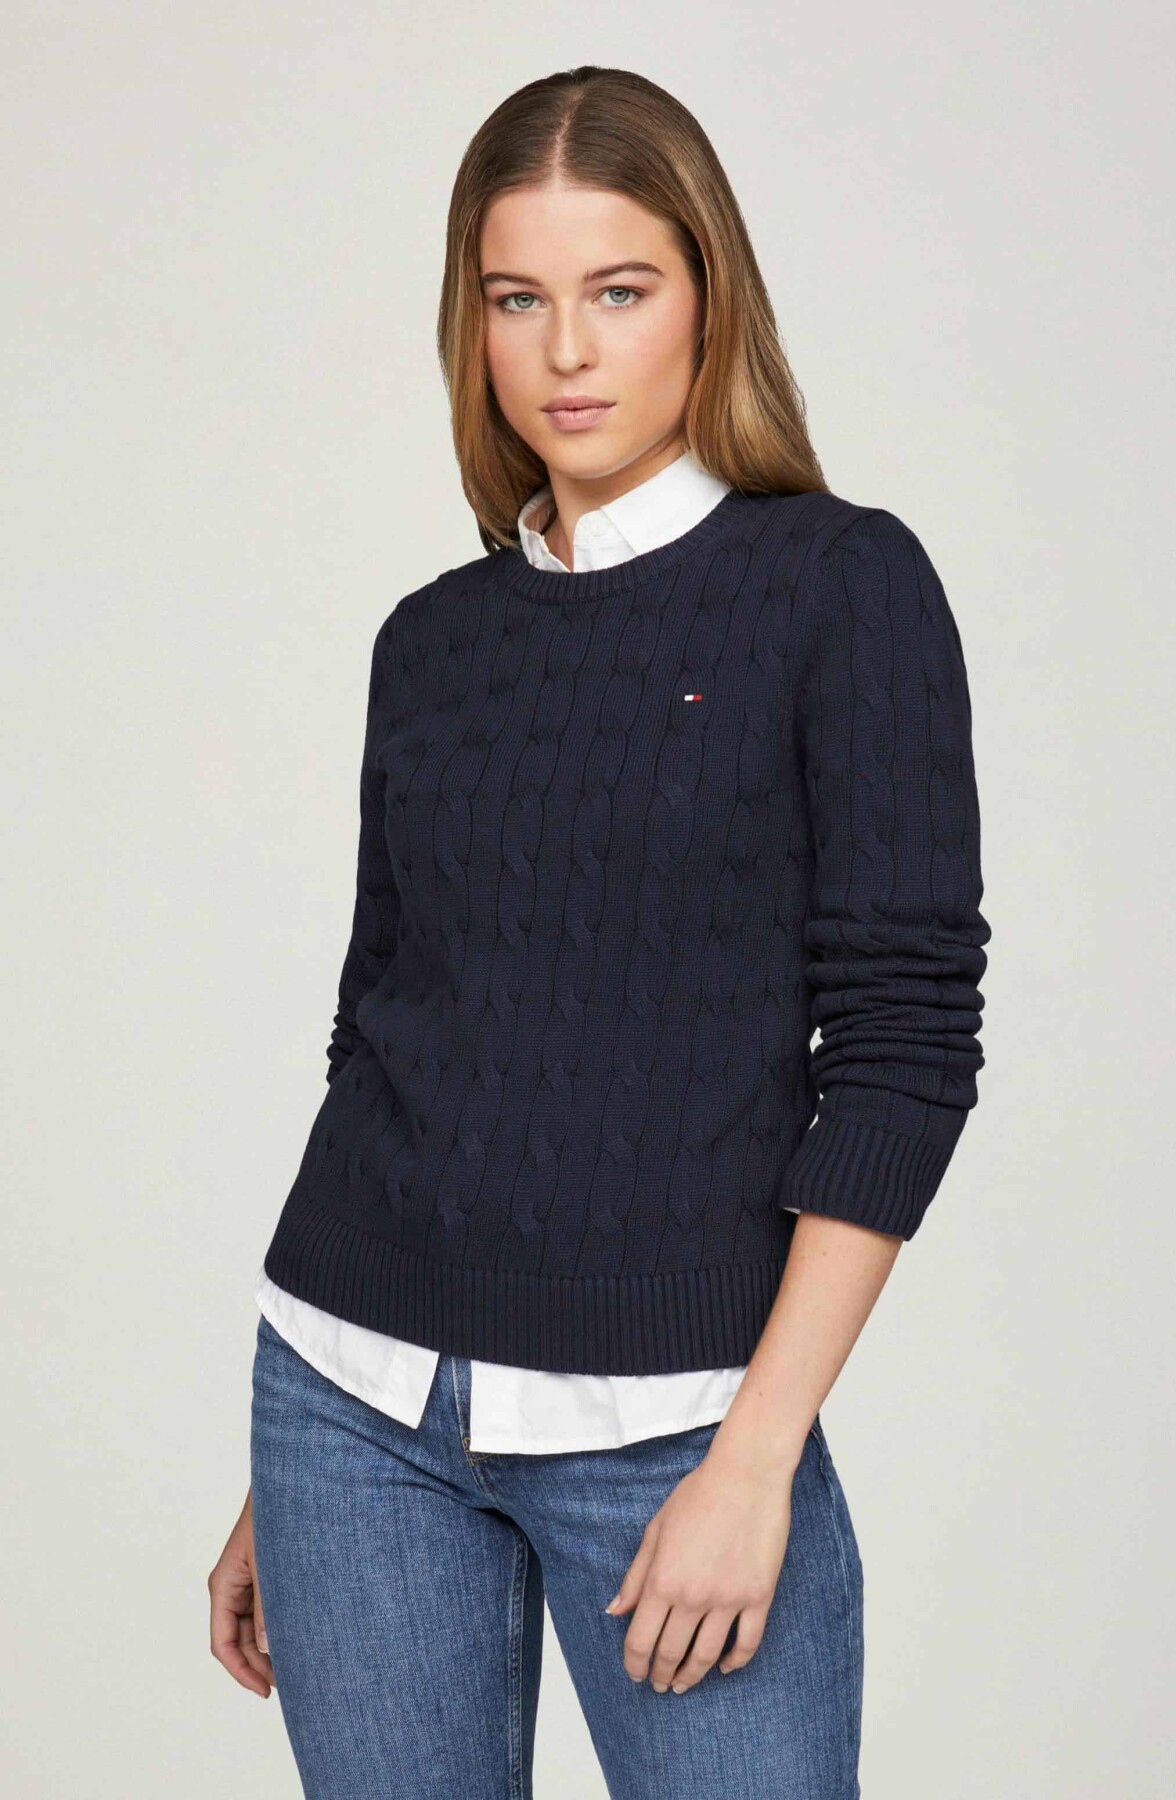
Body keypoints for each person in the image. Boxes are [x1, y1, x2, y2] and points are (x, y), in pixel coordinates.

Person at [208, 64, 990, 1800]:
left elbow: (905, 1046)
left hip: (675, 1431)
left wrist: (757, 1455)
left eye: (618, 290)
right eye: (518, 298)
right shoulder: (433, 639)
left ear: (709, 296)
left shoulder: (840, 585)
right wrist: (294, 1458)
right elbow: (389, 1023)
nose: (566, 350)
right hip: (346, 1410)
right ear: (473, 320)